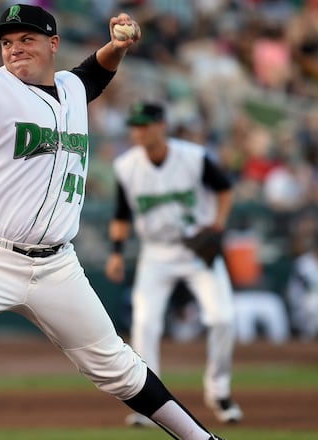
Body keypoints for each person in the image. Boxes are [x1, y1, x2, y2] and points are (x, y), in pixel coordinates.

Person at [0, 5, 225, 440]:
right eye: (7, 43)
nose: (14, 50)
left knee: (118, 366)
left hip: (55, 266)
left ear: (53, 44)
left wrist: (117, 46)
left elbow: (95, 73)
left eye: (26, 39)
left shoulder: (73, 89)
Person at [104, 101, 243, 427]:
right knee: (145, 323)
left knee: (222, 318)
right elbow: (122, 214)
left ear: (161, 125)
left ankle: (219, 391)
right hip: (156, 253)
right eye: (135, 125)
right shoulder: (126, 166)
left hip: (197, 249)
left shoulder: (193, 158)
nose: (139, 131)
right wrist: (115, 252)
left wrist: (218, 225)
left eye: (145, 124)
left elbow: (225, 189)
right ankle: (149, 403)